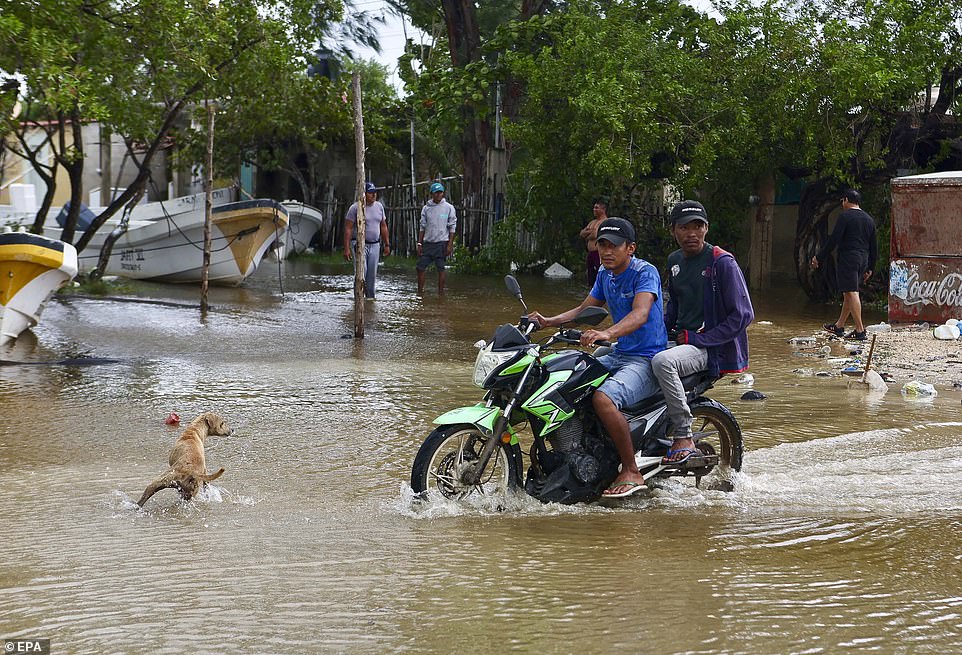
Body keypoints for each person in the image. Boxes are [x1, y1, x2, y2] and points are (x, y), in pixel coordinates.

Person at [529, 217, 667, 498]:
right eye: (602, 245)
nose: (606, 251)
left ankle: (631, 469)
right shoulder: (606, 275)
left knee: (603, 398)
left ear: (630, 248)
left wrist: (607, 333)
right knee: (564, 382)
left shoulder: (645, 272)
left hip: (645, 358)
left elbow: (640, 314)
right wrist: (547, 321)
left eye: (614, 246)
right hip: (619, 353)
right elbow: (584, 310)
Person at [651, 200, 754, 464]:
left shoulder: (722, 262)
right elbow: (672, 308)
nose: (691, 233)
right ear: (673, 230)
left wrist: (700, 338)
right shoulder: (674, 261)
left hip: (711, 348)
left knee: (663, 362)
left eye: (698, 226)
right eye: (684, 227)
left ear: (706, 229)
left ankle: (684, 434)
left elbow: (743, 315)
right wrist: (653, 337)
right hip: (682, 340)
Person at [811, 189, 877, 341]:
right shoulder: (869, 219)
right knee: (849, 292)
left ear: (846, 200)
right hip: (863, 259)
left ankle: (860, 330)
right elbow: (874, 246)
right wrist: (871, 267)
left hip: (849, 258)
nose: (842, 204)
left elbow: (834, 239)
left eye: (842, 201)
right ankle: (839, 326)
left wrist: (819, 257)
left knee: (852, 292)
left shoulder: (845, 216)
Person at [343, 181, 391, 300]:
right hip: (359, 244)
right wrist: (347, 248)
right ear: (364, 194)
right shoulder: (355, 208)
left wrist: (387, 244)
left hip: (375, 245)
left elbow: (383, 226)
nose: (373, 195)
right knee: (361, 273)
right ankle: (358, 299)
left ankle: (370, 299)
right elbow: (348, 228)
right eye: (370, 193)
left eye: (374, 192)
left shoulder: (379, 207)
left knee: (371, 275)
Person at [417, 181, 457, 295]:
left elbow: (452, 227)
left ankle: (441, 293)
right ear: (432, 194)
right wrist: (419, 243)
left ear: (443, 193)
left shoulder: (449, 208)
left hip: (441, 243)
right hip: (428, 242)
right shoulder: (426, 208)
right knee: (420, 267)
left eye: (440, 192)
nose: (438, 195)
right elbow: (422, 226)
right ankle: (420, 291)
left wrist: (450, 244)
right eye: (436, 193)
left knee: (441, 268)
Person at [579, 199, 608, 287]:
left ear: (603, 209)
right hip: (590, 253)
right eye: (594, 208)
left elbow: (596, 235)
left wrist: (588, 233)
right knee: (590, 275)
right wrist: (590, 232)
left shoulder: (605, 221)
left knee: (600, 273)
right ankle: (592, 294)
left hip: (598, 252)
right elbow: (582, 234)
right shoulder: (592, 222)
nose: (594, 210)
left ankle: (603, 293)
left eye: (596, 208)